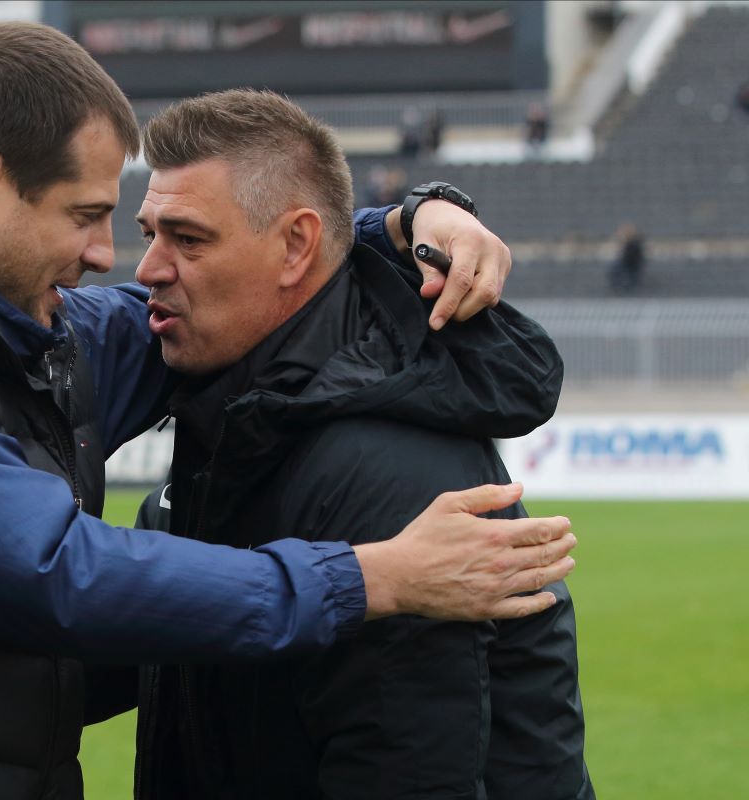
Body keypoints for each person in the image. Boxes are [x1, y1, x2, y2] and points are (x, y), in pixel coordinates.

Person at [0, 23, 576, 800]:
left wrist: (401, 225)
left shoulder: (23, 331)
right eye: (86, 216)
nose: (109, 257)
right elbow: (55, 576)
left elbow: (250, 283)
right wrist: (366, 580)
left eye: (149, 229)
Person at [131, 89, 591, 799]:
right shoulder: (232, 415)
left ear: (295, 246)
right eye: (149, 234)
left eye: (187, 239)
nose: (148, 269)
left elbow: (409, 770)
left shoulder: (391, 471)